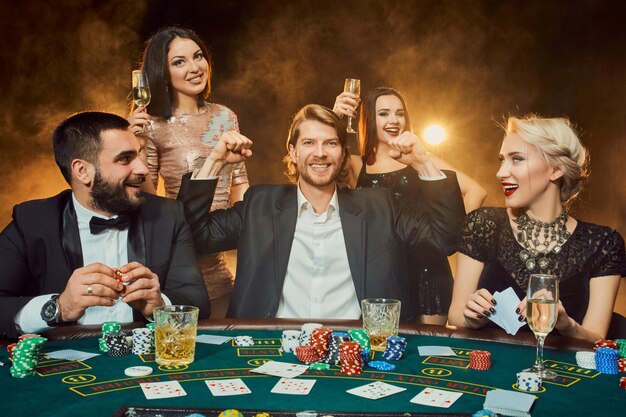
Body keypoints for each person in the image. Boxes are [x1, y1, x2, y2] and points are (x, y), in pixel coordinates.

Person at [177, 104, 466, 320]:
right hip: (271, 350)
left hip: (359, 355)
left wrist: (423, 162)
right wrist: (215, 162)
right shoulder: (261, 203)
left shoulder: (381, 206)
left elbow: (445, 239)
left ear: (342, 154)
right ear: (293, 152)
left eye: (330, 143)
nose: (320, 153)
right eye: (309, 143)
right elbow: (195, 236)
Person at [0, 111, 211, 340]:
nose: (143, 169)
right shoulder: (32, 221)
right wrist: (59, 307)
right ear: (83, 171)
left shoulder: (168, 216)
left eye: (138, 156)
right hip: (65, 365)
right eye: (125, 159)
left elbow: (197, 299)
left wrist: (159, 304)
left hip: (145, 361)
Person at [448, 115, 626, 341]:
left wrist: (566, 324)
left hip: (563, 373)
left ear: (556, 170)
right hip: (490, 368)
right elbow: (455, 316)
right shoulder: (483, 224)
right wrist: (472, 317)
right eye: (502, 160)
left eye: (517, 159)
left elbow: (597, 338)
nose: (501, 172)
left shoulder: (604, 242)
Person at [333, 87, 487, 324]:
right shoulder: (356, 165)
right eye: (383, 113)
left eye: (399, 113)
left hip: (427, 270)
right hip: (381, 272)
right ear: (368, 120)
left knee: (424, 350)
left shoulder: (420, 158)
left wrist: (453, 238)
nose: (394, 120)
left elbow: (476, 191)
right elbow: (322, 161)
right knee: (381, 345)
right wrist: (336, 119)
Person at [128, 26, 248, 318]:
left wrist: (249, 234)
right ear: (162, 72)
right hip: (181, 253)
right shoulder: (153, 125)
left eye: (198, 56)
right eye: (179, 62)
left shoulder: (225, 115)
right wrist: (137, 146)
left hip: (220, 250)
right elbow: (147, 204)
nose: (195, 67)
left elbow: (240, 183)